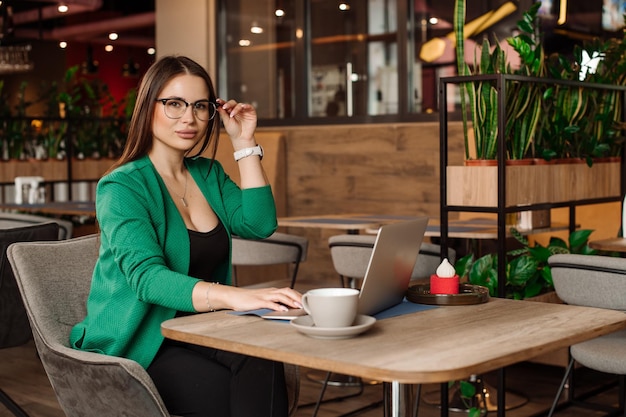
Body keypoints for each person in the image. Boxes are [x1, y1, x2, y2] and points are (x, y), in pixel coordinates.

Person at [69, 55, 303, 417]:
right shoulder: (122, 186)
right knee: (238, 388)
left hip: (198, 330)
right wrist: (237, 297)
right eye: (174, 104)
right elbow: (147, 279)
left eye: (199, 106)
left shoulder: (208, 173)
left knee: (263, 360)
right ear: (149, 107)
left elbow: (259, 224)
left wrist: (244, 142)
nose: (188, 118)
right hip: (142, 342)